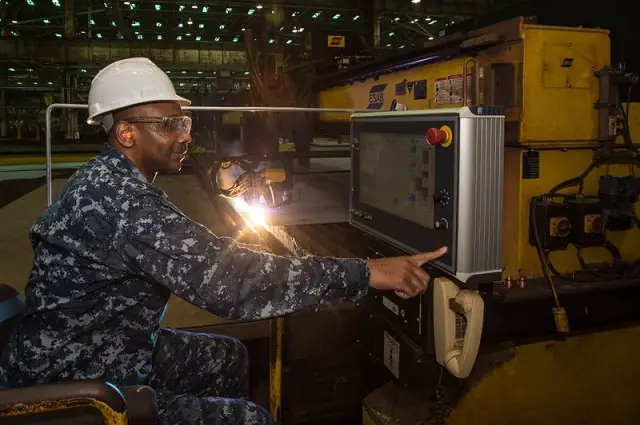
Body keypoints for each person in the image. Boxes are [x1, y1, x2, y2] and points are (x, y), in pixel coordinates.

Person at [0, 58, 447, 424]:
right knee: (251, 421)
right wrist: (368, 271)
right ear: (126, 132)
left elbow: (196, 254)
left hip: (103, 345)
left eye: (185, 120)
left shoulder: (111, 179)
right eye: (170, 123)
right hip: (78, 378)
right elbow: (230, 283)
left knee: (228, 357)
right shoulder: (120, 202)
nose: (185, 133)